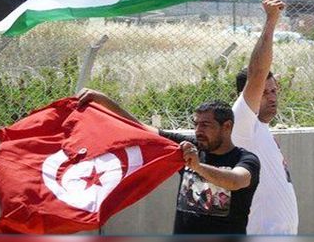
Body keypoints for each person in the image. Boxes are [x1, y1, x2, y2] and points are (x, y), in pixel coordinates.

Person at [76, 90, 260, 235]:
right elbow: (141, 129)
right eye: (196, 124)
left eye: (205, 125)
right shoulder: (189, 148)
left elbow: (236, 181)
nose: (197, 131)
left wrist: (197, 167)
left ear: (227, 126)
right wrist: (103, 101)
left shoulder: (245, 159)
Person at [231, 0, 299, 234]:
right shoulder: (242, 122)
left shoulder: (261, 130)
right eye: (264, 91)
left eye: (274, 90)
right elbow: (257, 72)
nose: (272, 96)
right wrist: (271, 21)